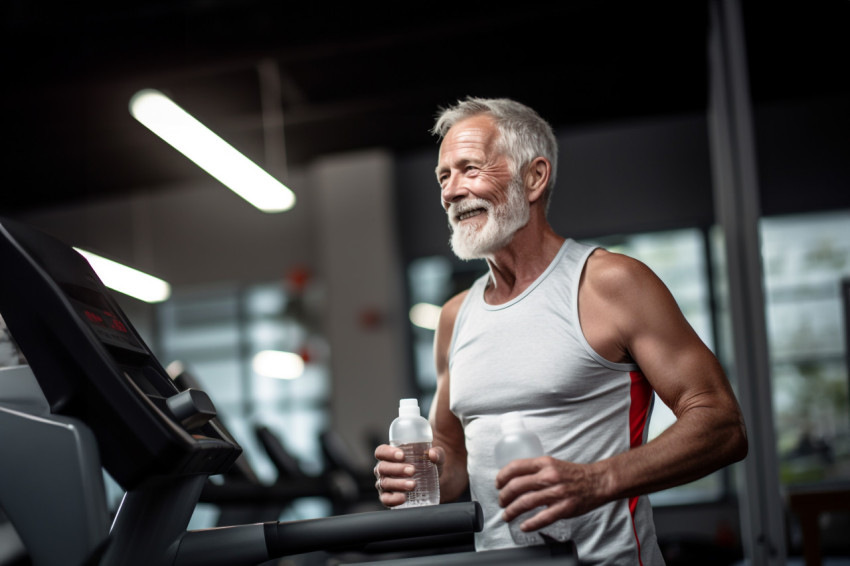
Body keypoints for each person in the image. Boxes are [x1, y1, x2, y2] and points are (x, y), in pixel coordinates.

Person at [373, 97, 748, 565]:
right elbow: (453, 454)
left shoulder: (609, 283)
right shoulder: (454, 316)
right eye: (443, 177)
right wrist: (423, 474)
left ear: (534, 177)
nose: (452, 191)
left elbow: (722, 424)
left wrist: (597, 481)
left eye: (470, 168)